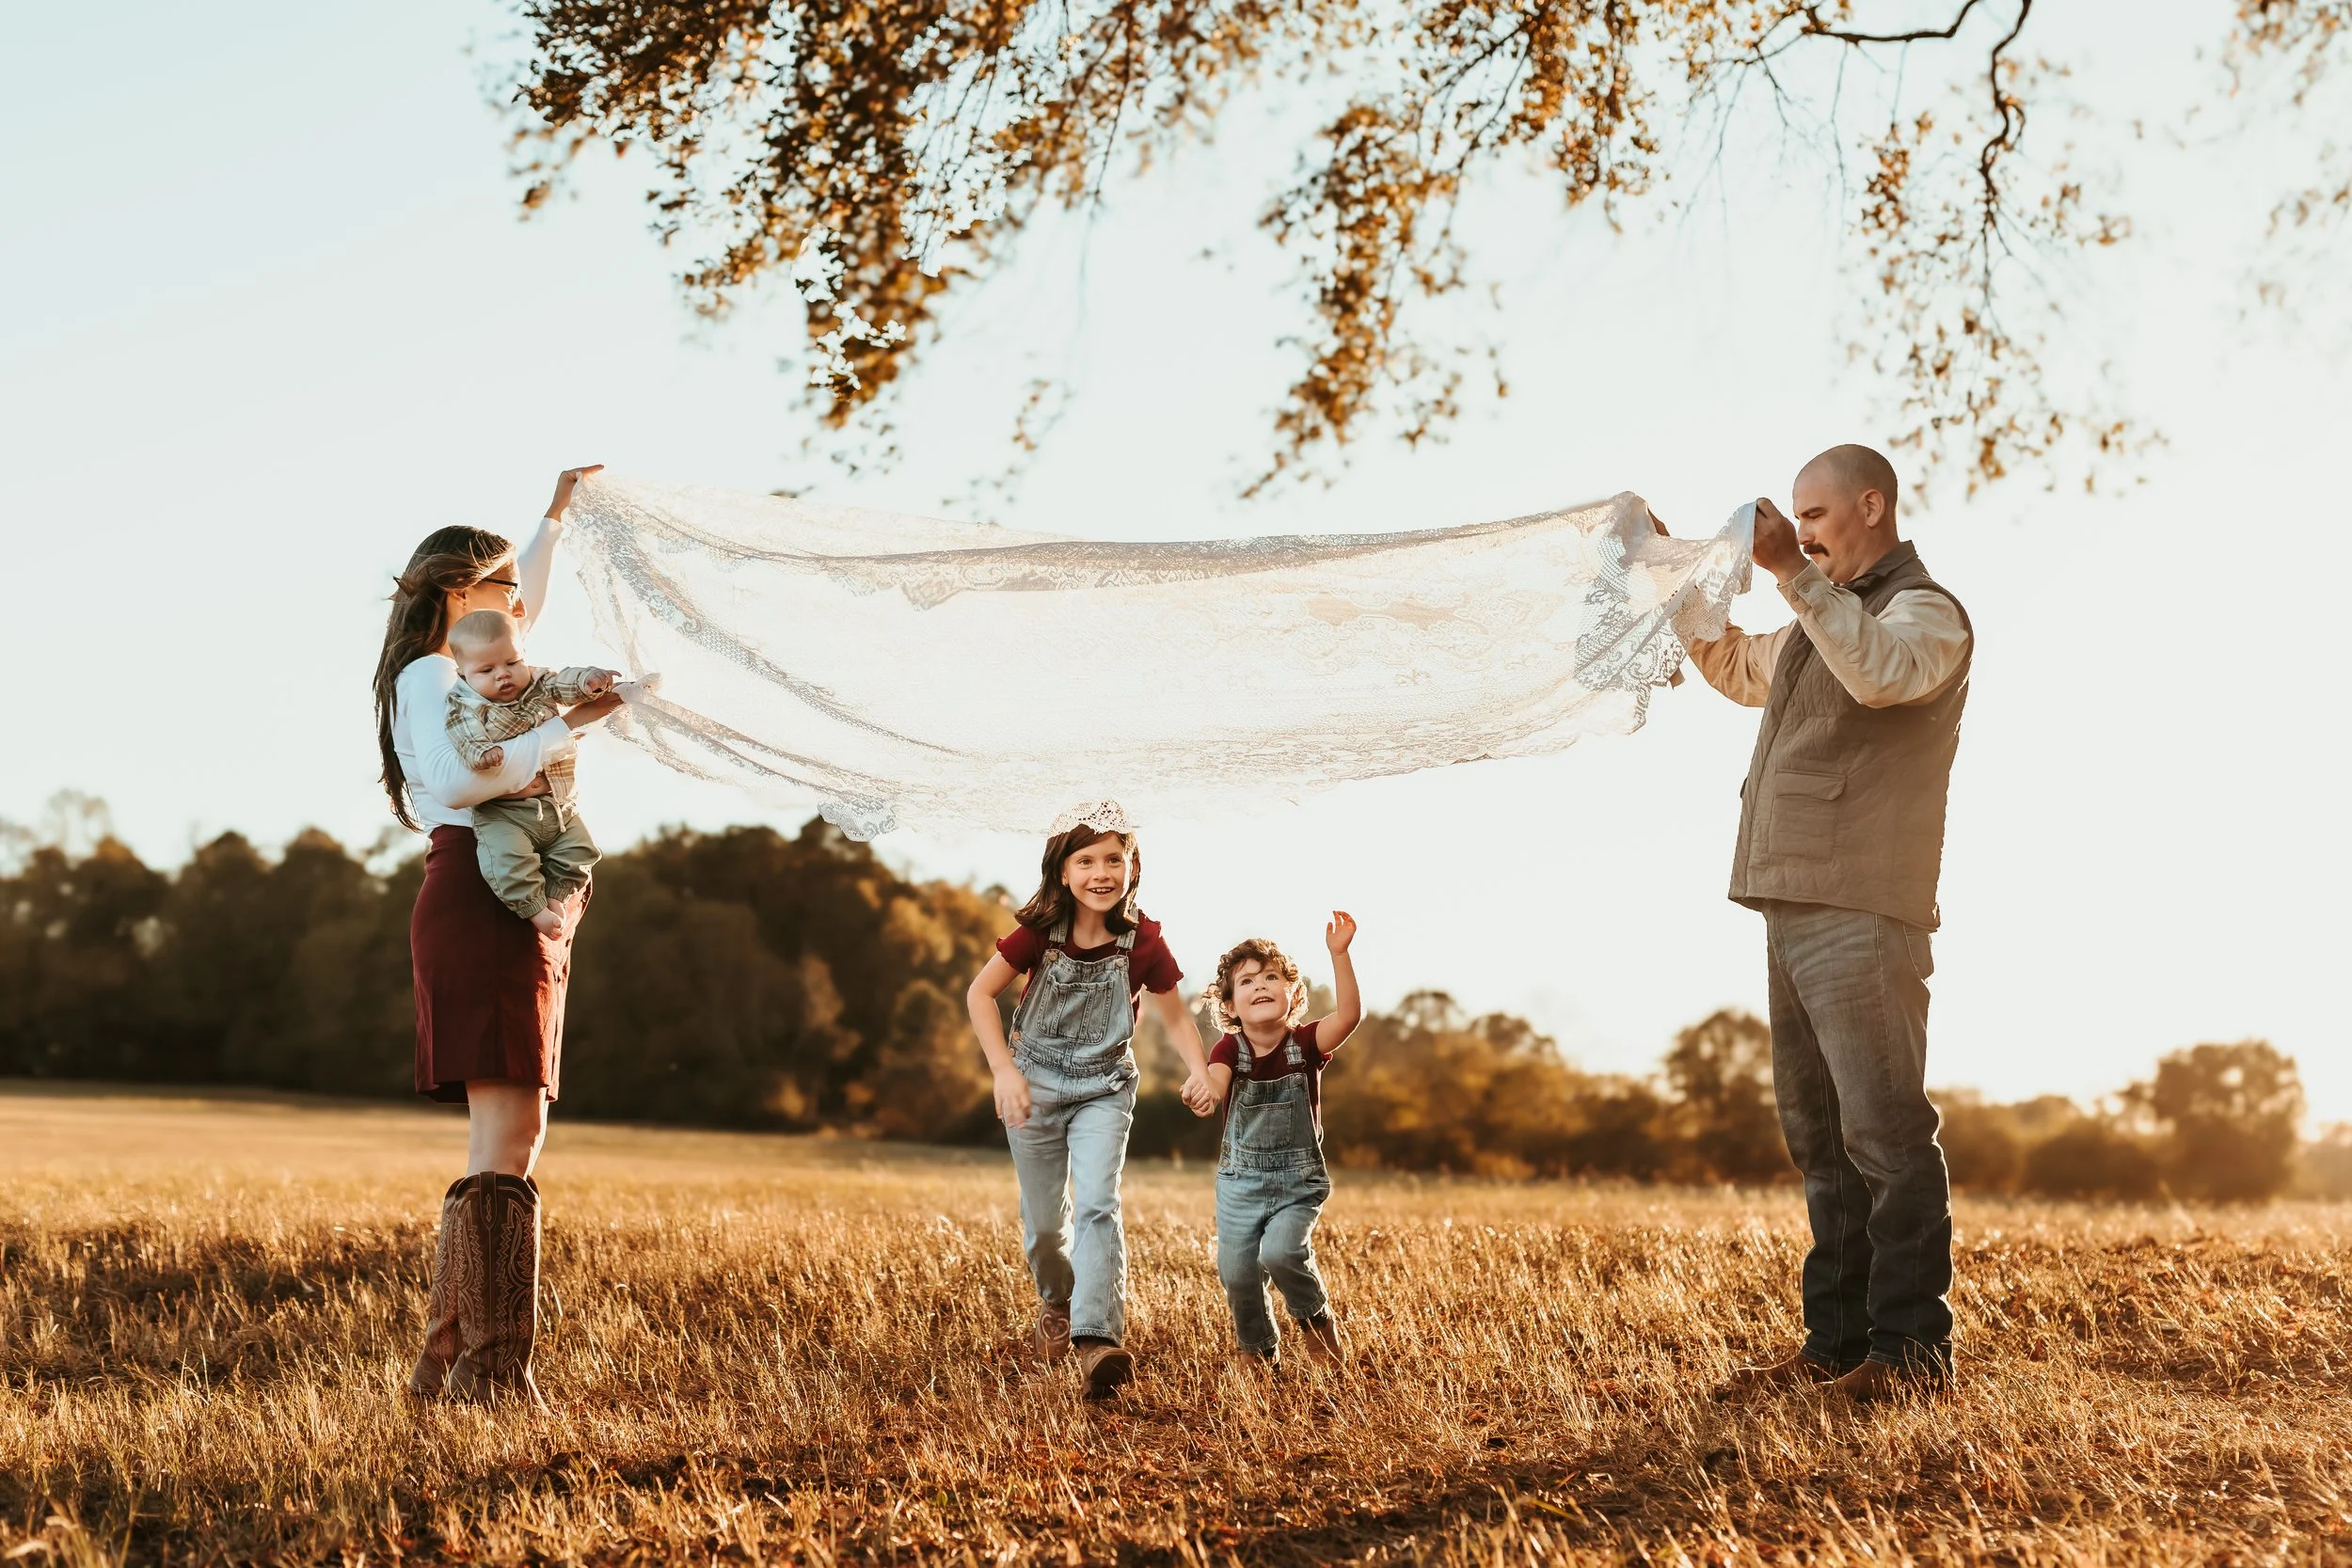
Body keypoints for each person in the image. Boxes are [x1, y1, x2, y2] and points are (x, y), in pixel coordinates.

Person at [1679, 443, 1973, 1403]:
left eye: (1814, 512)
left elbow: (1882, 674)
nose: (1799, 529)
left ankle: (1909, 1356)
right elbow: (1731, 662)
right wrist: (1670, 575)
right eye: (1794, 516)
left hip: (1863, 906)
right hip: (1789, 897)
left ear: (1870, 505)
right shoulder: (1816, 618)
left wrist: (1790, 574)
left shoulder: (1924, 612)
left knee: (1884, 1134)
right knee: (1820, 1137)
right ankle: (1836, 1344)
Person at [373, 464, 625, 1404]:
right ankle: (490, 1371)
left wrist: (554, 515)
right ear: (457, 596)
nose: (522, 604)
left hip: (506, 896)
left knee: (517, 1129)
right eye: (504, 587)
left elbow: (532, 598)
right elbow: (464, 780)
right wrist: (565, 723)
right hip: (482, 888)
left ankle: (448, 1367)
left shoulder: (480, 661)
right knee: (509, 1126)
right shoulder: (433, 672)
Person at [964, 801, 1218, 1400]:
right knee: (1045, 1228)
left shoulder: (1144, 943)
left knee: (1099, 1205)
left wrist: (1202, 1073)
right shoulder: (1035, 936)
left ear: (1132, 866)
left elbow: (1178, 1021)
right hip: (1034, 1087)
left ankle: (1095, 1338)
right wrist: (1003, 1071)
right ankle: (1057, 1302)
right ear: (1062, 870)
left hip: (1104, 1087)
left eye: (1114, 858)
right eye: (1086, 860)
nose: (1101, 872)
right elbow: (980, 995)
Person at [1202, 914, 1362, 1367]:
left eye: (1272, 977)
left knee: (1281, 1253)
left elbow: (1349, 1015)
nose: (1261, 985)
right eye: (1247, 981)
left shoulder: (1307, 1043)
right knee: (1237, 1275)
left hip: (1297, 1182)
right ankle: (1257, 1350)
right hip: (1239, 1185)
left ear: (1292, 994)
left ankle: (1315, 1322)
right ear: (1231, 1005)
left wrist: (1339, 954)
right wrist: (1203, 1093)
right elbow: (1216, 1084)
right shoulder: (1229, 1050)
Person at [443, 609, 625, 938]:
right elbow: (464, 733)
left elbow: (562, 682)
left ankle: (557, 897)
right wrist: (480, 752)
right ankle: (533, 909)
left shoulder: (538, 683)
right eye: (487, 669)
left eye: (512, 662)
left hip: (559, 805)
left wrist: (590, 681)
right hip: (504, 813)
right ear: (464, 674)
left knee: (581, 850)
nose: (504, 675)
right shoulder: (465, 704)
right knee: (506, 860)